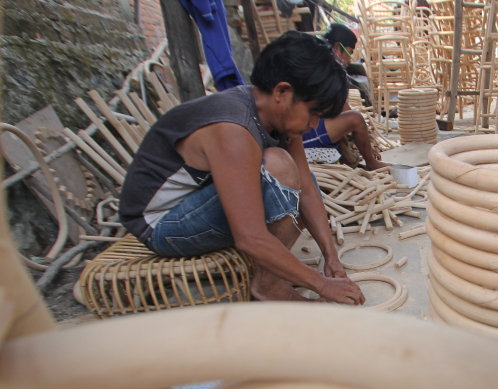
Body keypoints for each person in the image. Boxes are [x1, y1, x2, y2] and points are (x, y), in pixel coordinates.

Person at [118, 32, 365, 305]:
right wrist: (321, 285)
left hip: (196, 205)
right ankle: (269, 285)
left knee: (296, 178)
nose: (316, 125)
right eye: (314, 113)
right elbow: (249, 237)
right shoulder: (234, 129)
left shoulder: (277, 117)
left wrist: (331, 257)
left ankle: (271, 276)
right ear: (282, 92)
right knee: (279, 168)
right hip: (160, 224)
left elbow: (306, 188)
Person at [301, 24, 390, 170]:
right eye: (349, 53)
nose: (349, 60)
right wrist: (367, 147)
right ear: (337, 47)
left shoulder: (318, 62)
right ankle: (371, 163)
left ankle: (349, 162)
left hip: (307, 127)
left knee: (344, 131)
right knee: (355, 119)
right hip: (305, 131)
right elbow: (346, 111)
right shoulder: (328, 69)